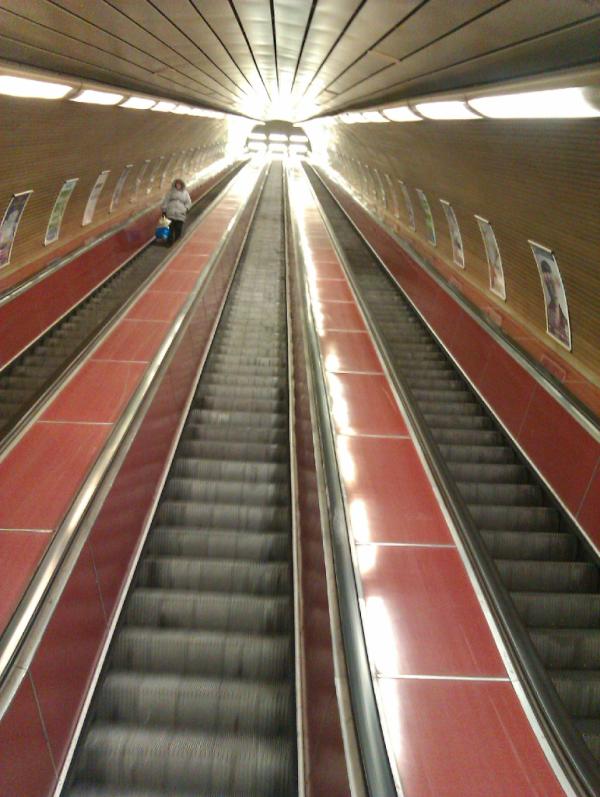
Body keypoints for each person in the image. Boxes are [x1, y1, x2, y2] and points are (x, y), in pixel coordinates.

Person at [540, 258, 570, 347]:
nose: (546, 276)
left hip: (556, 305)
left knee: (557, 325)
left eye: (547, 273)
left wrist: (556, 304)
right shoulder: (548, 280)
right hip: (554, 305)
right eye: (545, 273)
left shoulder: (552, 281)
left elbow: (557, 323)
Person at [161, 178, 191, 246]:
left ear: (182, 185)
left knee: (178, 229)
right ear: (174, 185)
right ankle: (169, 242)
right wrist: (164, 210)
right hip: (171, 213)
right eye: (177, 184)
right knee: (170, 229)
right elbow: (166, 201)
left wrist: (185, 209)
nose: (178, 185)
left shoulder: (185, 193)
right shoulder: (170, 192)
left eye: (179, 184)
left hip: (180, 214)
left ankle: (177, 241)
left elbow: (188, 202)